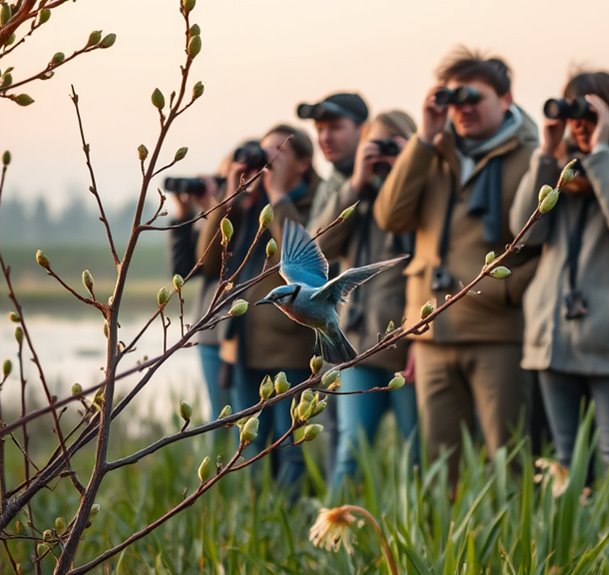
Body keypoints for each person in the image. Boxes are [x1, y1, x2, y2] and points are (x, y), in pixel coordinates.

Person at [373, 47, 539, 481]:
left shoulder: (530, 155)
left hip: (497, 333)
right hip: (432, 333)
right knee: (441, 466)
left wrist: (505, 292)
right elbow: (390, 215)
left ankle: (513, 548)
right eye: (453, 100)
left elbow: (544, 244)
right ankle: (450, 547)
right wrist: (424, 139)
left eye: (474, 98)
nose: (462, 110)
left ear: (506, 99)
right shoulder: (431, 153)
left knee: (510, 462)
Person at [511, 70, 609, 496]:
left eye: (589, 110)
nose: (578, 121)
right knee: (568, 464)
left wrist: (601, 152)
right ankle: (581, 553)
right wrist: (545, 155)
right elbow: (524, 235)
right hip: (553, 333)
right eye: (572, 109)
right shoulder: (561, 166)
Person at [198, 124, 321, 489]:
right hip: (243, 347)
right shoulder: (251, 205)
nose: (266, 162)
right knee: (249, 446)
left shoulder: (312, 200)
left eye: (278, 154)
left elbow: (304, 259)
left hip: (289, 347)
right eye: (263, 154)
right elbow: (206, 262)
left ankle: (291, 516)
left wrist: (279, 194)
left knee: (290, 444)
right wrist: (231, 200)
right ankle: (257, 518)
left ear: (303, 163)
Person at [310, 110, 419, 491]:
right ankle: (333, 538)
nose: (384, 155)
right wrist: (357, 181)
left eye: (394, 146)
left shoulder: (422, 192)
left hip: (410, 345)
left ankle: (415, 536)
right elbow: (317, 247)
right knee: (350, 452)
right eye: (377, 146)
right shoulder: (355, 199)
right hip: (359, 344)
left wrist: (406, 167)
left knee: (415, 456)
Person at [167, 157, 232, 431]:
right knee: (217, 418)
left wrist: (217, 209)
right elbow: (184, 269)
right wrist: (185, 215)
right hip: (209, 331)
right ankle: (221, 472)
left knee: (236, 418)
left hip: (236, 332)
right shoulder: (207, 218)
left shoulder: (243, 213)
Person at [297, 92, 369, 225]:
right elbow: (314, 242)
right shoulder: (328, 187)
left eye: (335, 128)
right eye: (319, 129)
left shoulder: (381, 177)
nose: (325, 138)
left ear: (364, 129)